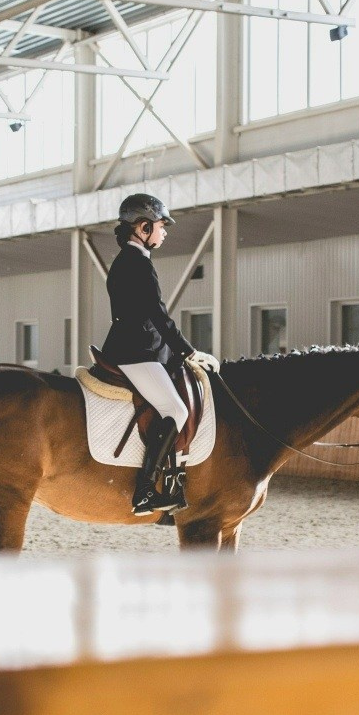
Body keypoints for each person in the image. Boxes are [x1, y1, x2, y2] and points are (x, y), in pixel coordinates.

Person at [100, 193, 220, 515]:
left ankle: (171, 481)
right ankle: (144, 492)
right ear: (142, 228)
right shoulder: (137, 263)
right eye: (160, 225)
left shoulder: (130, 260)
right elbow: (156, 315)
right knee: (175, 411)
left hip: (140, 347)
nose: (164, 231)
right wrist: (188, 351)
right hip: (135, 352)